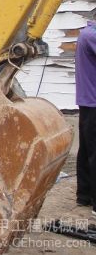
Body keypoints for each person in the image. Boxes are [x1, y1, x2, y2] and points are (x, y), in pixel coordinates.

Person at [75, 20, 96, 217]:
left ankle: (85, 194)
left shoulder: (86, 34)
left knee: (87, 149)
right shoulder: (91, 35)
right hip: (93, 101)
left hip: (88, 101)